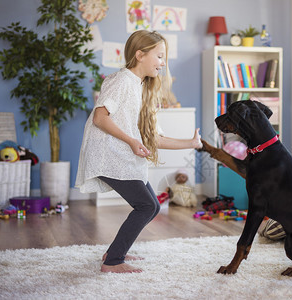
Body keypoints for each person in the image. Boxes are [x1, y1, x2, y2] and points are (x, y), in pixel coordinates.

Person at [75, 30, 202, 274]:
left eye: (165, 58)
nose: (163, 63)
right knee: (146, 205)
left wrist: (191, 143)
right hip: (107, 155)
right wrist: (132, 141)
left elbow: (155, 139)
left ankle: (113, 253)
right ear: (140, 55)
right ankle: (112, 262)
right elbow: (101, 118)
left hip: (120, 155)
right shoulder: (122, 80)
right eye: (160, 56)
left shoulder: (142, 88)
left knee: (151, 205)